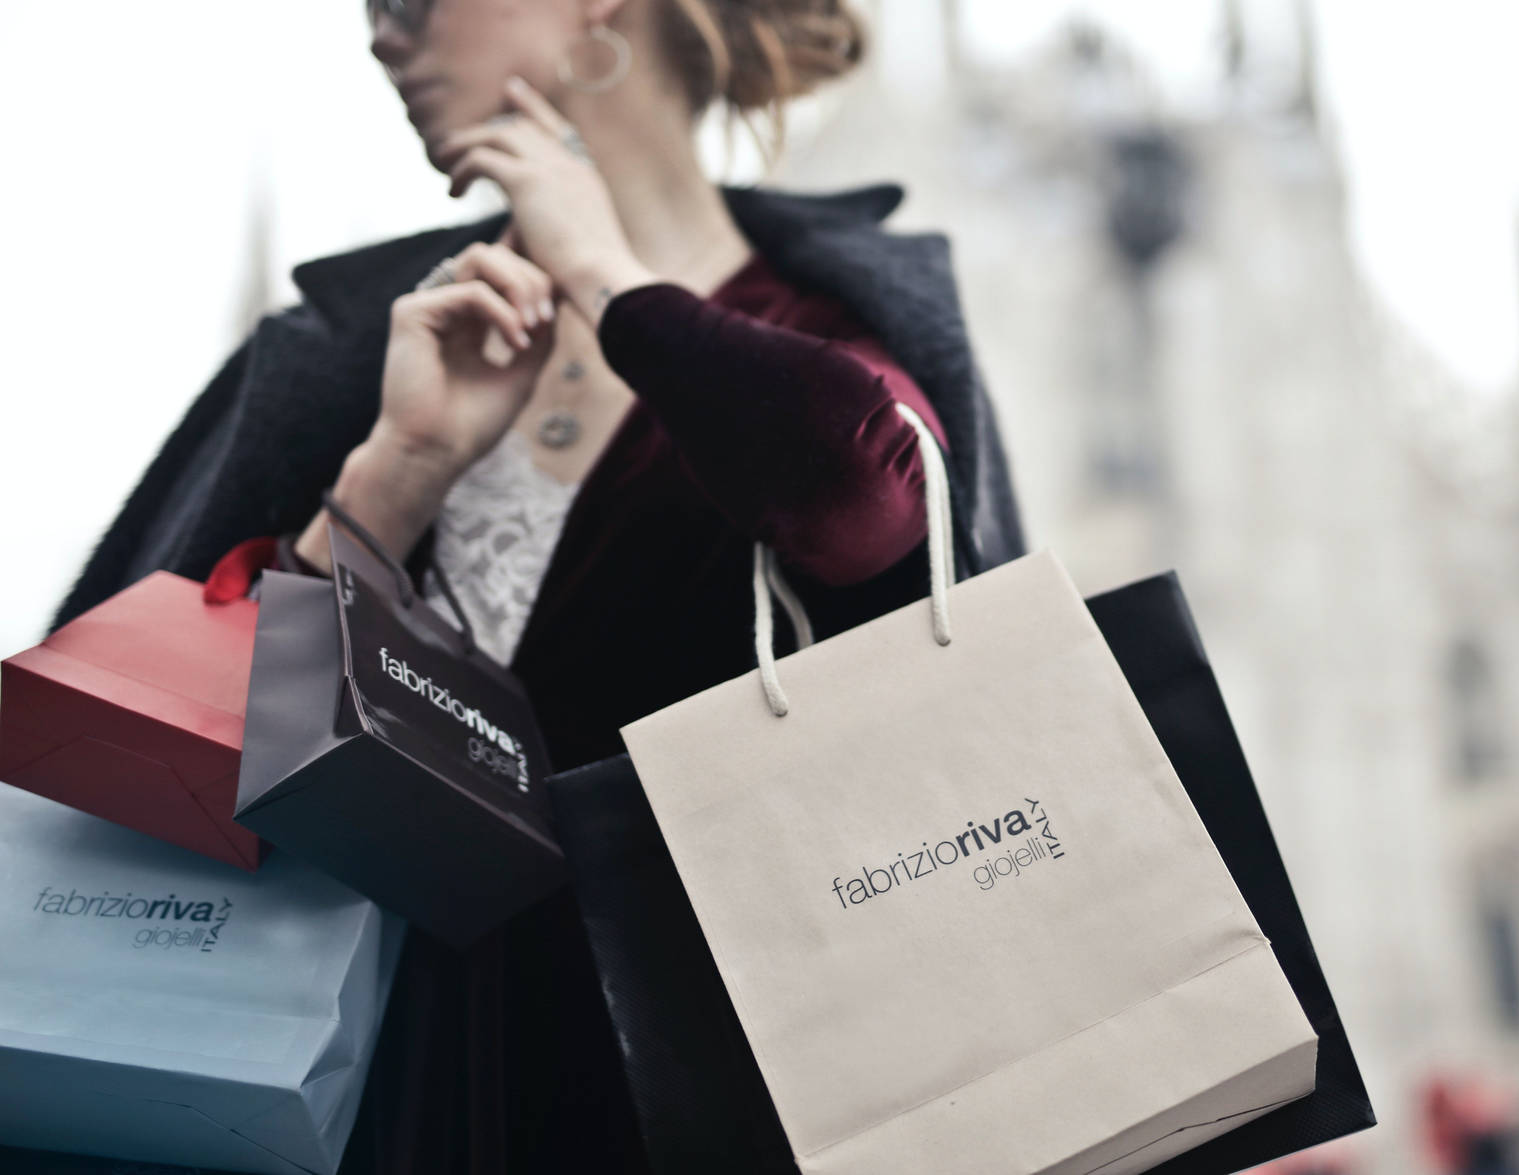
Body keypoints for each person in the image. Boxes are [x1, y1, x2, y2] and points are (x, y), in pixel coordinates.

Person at [51, 0, 1024, 1169]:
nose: (379, 38)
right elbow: (168, 752)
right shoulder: (364, 349)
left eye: (409, 4)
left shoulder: (827, 341)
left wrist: (613, 283)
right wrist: (396, 473)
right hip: (347, 1097)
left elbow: (866, 502)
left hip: (673, 1103)